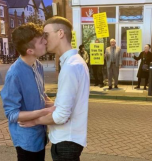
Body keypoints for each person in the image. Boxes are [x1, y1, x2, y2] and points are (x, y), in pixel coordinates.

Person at [19, 16, 90, 161]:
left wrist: (34, 121)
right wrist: (52, 104)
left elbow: (61, 116)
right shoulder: (75, 62)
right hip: (69, 140)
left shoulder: (70, 66)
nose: (44, 40)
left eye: (46, 35)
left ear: (61, 34)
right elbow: (71, 104)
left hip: (66, 141)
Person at [1, 23, 55, 161]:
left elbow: (41, 94)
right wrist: (45, 112)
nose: (45, 41)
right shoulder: (15, 74)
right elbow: (12, 114)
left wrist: (52, 103)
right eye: (41, 41)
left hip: (40, 136)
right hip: (26, 140)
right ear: (30, 51)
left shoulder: (38, 65)